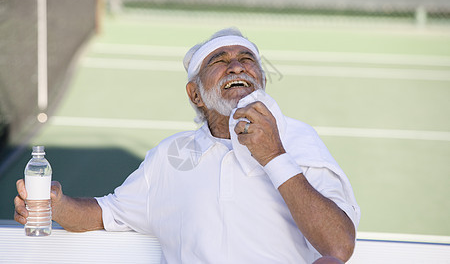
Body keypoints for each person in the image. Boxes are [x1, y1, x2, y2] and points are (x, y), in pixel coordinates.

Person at [15, 28, 360, 263]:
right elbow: (106, 213)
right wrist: (55, 207)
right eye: (219, 61)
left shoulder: (300, 141)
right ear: (195, 95)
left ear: (261, 80)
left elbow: (338, 246)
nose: (236, 65)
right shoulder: (170, 156)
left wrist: (275, 156)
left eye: (246, 59)